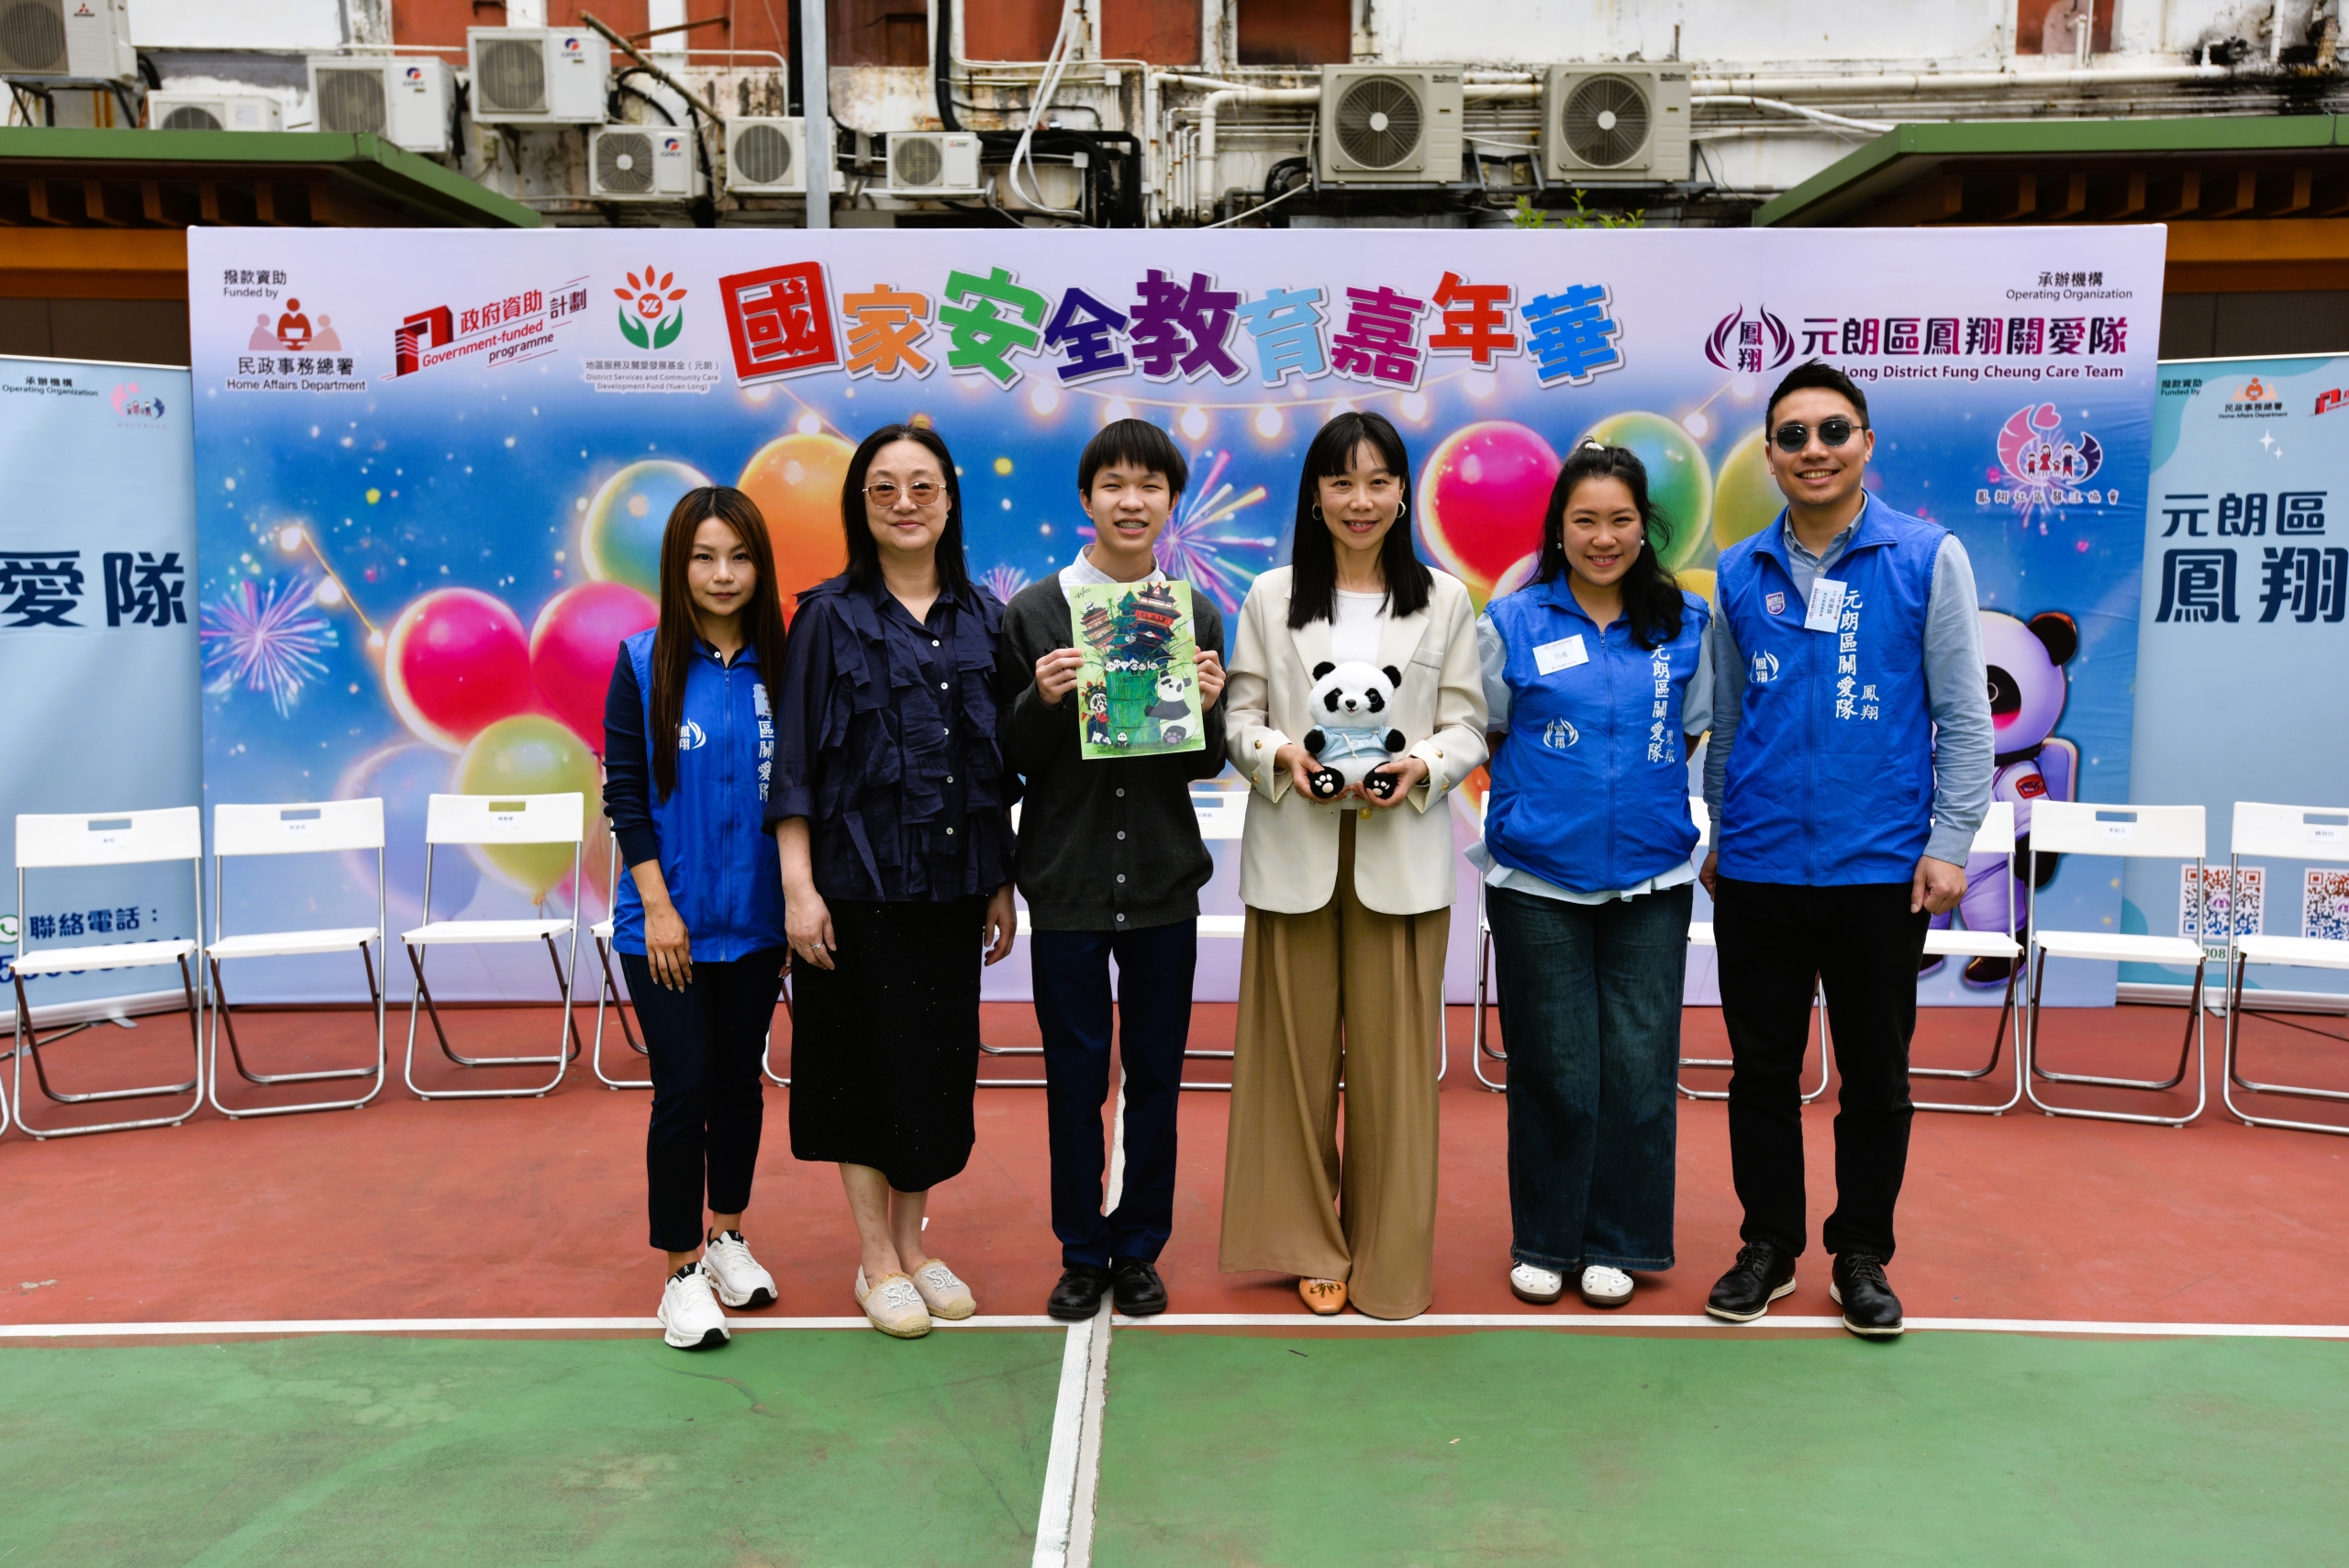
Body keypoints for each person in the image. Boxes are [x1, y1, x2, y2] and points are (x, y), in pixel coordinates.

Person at [1699, 361, 1993, 1339]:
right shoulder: (1739, 571)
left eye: (1833, 431)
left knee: (1876, 1076)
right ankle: (1769, 1245)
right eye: (1792, 435)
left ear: (1866, 442)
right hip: (1759, 867)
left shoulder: (1924, 556)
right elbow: (1731, 721)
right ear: (1769, 454)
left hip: (1881, 871)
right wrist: (1723, 830)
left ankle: (1861, 1251)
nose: (1813, 450)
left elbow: (1964, 715)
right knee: (1761, 1073)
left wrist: (1950, 842)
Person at [1219, 411, 1486, 1320]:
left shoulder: (1444, 598)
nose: (1359, 500)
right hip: (1293, 851)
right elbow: (1240, 719)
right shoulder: (1270, 596)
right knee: (1289, 1065)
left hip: (1401, 856)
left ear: (1403, 491)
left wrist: (1424, 766)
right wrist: (1279, 755)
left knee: (1395, 1074)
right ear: (1315, 495)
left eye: (1377, 481)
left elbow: (1465, 722)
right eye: (1341, 482)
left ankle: (1387, 1254)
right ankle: (1307, 1243)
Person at [769, 420, 1021, 1340]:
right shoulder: (826, 617)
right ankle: (874, 1257)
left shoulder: (985, 618)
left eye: (923, 486)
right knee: (861, 1070)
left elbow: (996, 765)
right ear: (860, 505)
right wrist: (799, 888)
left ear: (950, 501)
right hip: (853, 889)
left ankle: (915, 1245)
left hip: (954, 887)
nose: (905, 502)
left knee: (934, 1070)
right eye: (884, 487)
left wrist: (999, 882)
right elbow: (795, 766)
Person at [1474, 442, 1712, 1312]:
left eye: (1620, 520)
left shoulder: (1686, 622)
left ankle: (1620, 1240)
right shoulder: (1512, 621)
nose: (1603, 537)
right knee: (1554, 1066)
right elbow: (1488, 729)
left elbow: (1692, 728)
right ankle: (1546, 1238)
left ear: (1645, 528)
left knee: (1641, 1067)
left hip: (1652, 877)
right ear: (1559, 529)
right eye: (1585, 520)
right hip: (1537, 877)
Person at [1004, 419, 1228, 1323]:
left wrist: (1208, 707)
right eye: (1113, 484)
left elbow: (1200, 763)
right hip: (1066, 880)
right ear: (1086, 497)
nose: (1131, 502)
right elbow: (1009, 756)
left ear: (1170, 501)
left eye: (1150, 486)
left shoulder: (1194, 614)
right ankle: (1079, 1249)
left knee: (1157, 1076)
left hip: (1164, 882)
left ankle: (1138, 1247)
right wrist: (1040, 697)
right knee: (1073, 1077)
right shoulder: (1035, 612)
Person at [602, 485, 793, 1351]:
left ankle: (727, 1237)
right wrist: (658, 907)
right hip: (665, 925)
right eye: (705, 557)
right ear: (677, 567)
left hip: (755, 922)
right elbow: (626, 794)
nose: (723, 574)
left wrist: (789, 906)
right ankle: (680, 1272)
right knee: (683, 1088)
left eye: (740, 557)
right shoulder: (642, 664)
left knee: (739, 1085)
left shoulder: (782, 667)